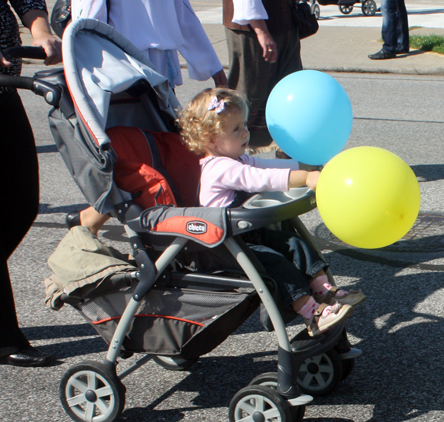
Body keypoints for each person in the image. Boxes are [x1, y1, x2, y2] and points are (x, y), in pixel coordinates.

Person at [177, 88, 366, 336]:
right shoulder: (218, 168)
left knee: (293, 243)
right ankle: (312, 314)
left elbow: (273, 165)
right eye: (235, 129)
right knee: (275, 263)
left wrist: (310, 164)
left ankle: (324, 291)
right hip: (225, 248)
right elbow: (261, 179)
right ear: (211, 140)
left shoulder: (239, 158)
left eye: (244, 124)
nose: (246, 132)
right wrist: (306, 177)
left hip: (247, 236)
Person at [66, 0, 229, 235]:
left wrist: (213, 67)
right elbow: (88, 22)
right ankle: (140, 227)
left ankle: (99, 218)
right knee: (133, 153)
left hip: (149, 69)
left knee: (158, 148)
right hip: (114, 68)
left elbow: (182, 14)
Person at [0, 0, 62, 366]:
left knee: (22, 204)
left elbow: (26, 0)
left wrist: (39, 27)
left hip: (5, 90)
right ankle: (4, 339)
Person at [222, 0, 302, 149]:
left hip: (284, 21)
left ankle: (290, 153)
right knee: (249, 93)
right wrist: (260, 29)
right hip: (251, 27)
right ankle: (236, 157)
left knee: (291, 92)